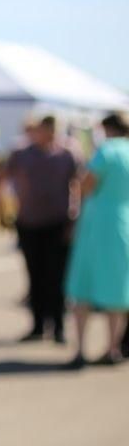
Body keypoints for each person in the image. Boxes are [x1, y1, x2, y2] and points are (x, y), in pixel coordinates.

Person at [0, 115, 80, 343]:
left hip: (58, 223)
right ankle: (38, 324)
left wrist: (75, 218)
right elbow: (1, 178)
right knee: (35, 274)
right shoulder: (22, 154)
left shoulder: (66, 154)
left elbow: (78, 184)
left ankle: (59, 326)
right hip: (29, 222)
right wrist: (1, 210)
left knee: (57, 275)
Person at [64, 112, 129, 368]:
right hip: (123, 222)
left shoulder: (107, 150)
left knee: (83, 286)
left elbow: (86, 184)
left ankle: (80, 349)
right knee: (118, 286)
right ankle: (112, 347)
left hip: (98, 223)